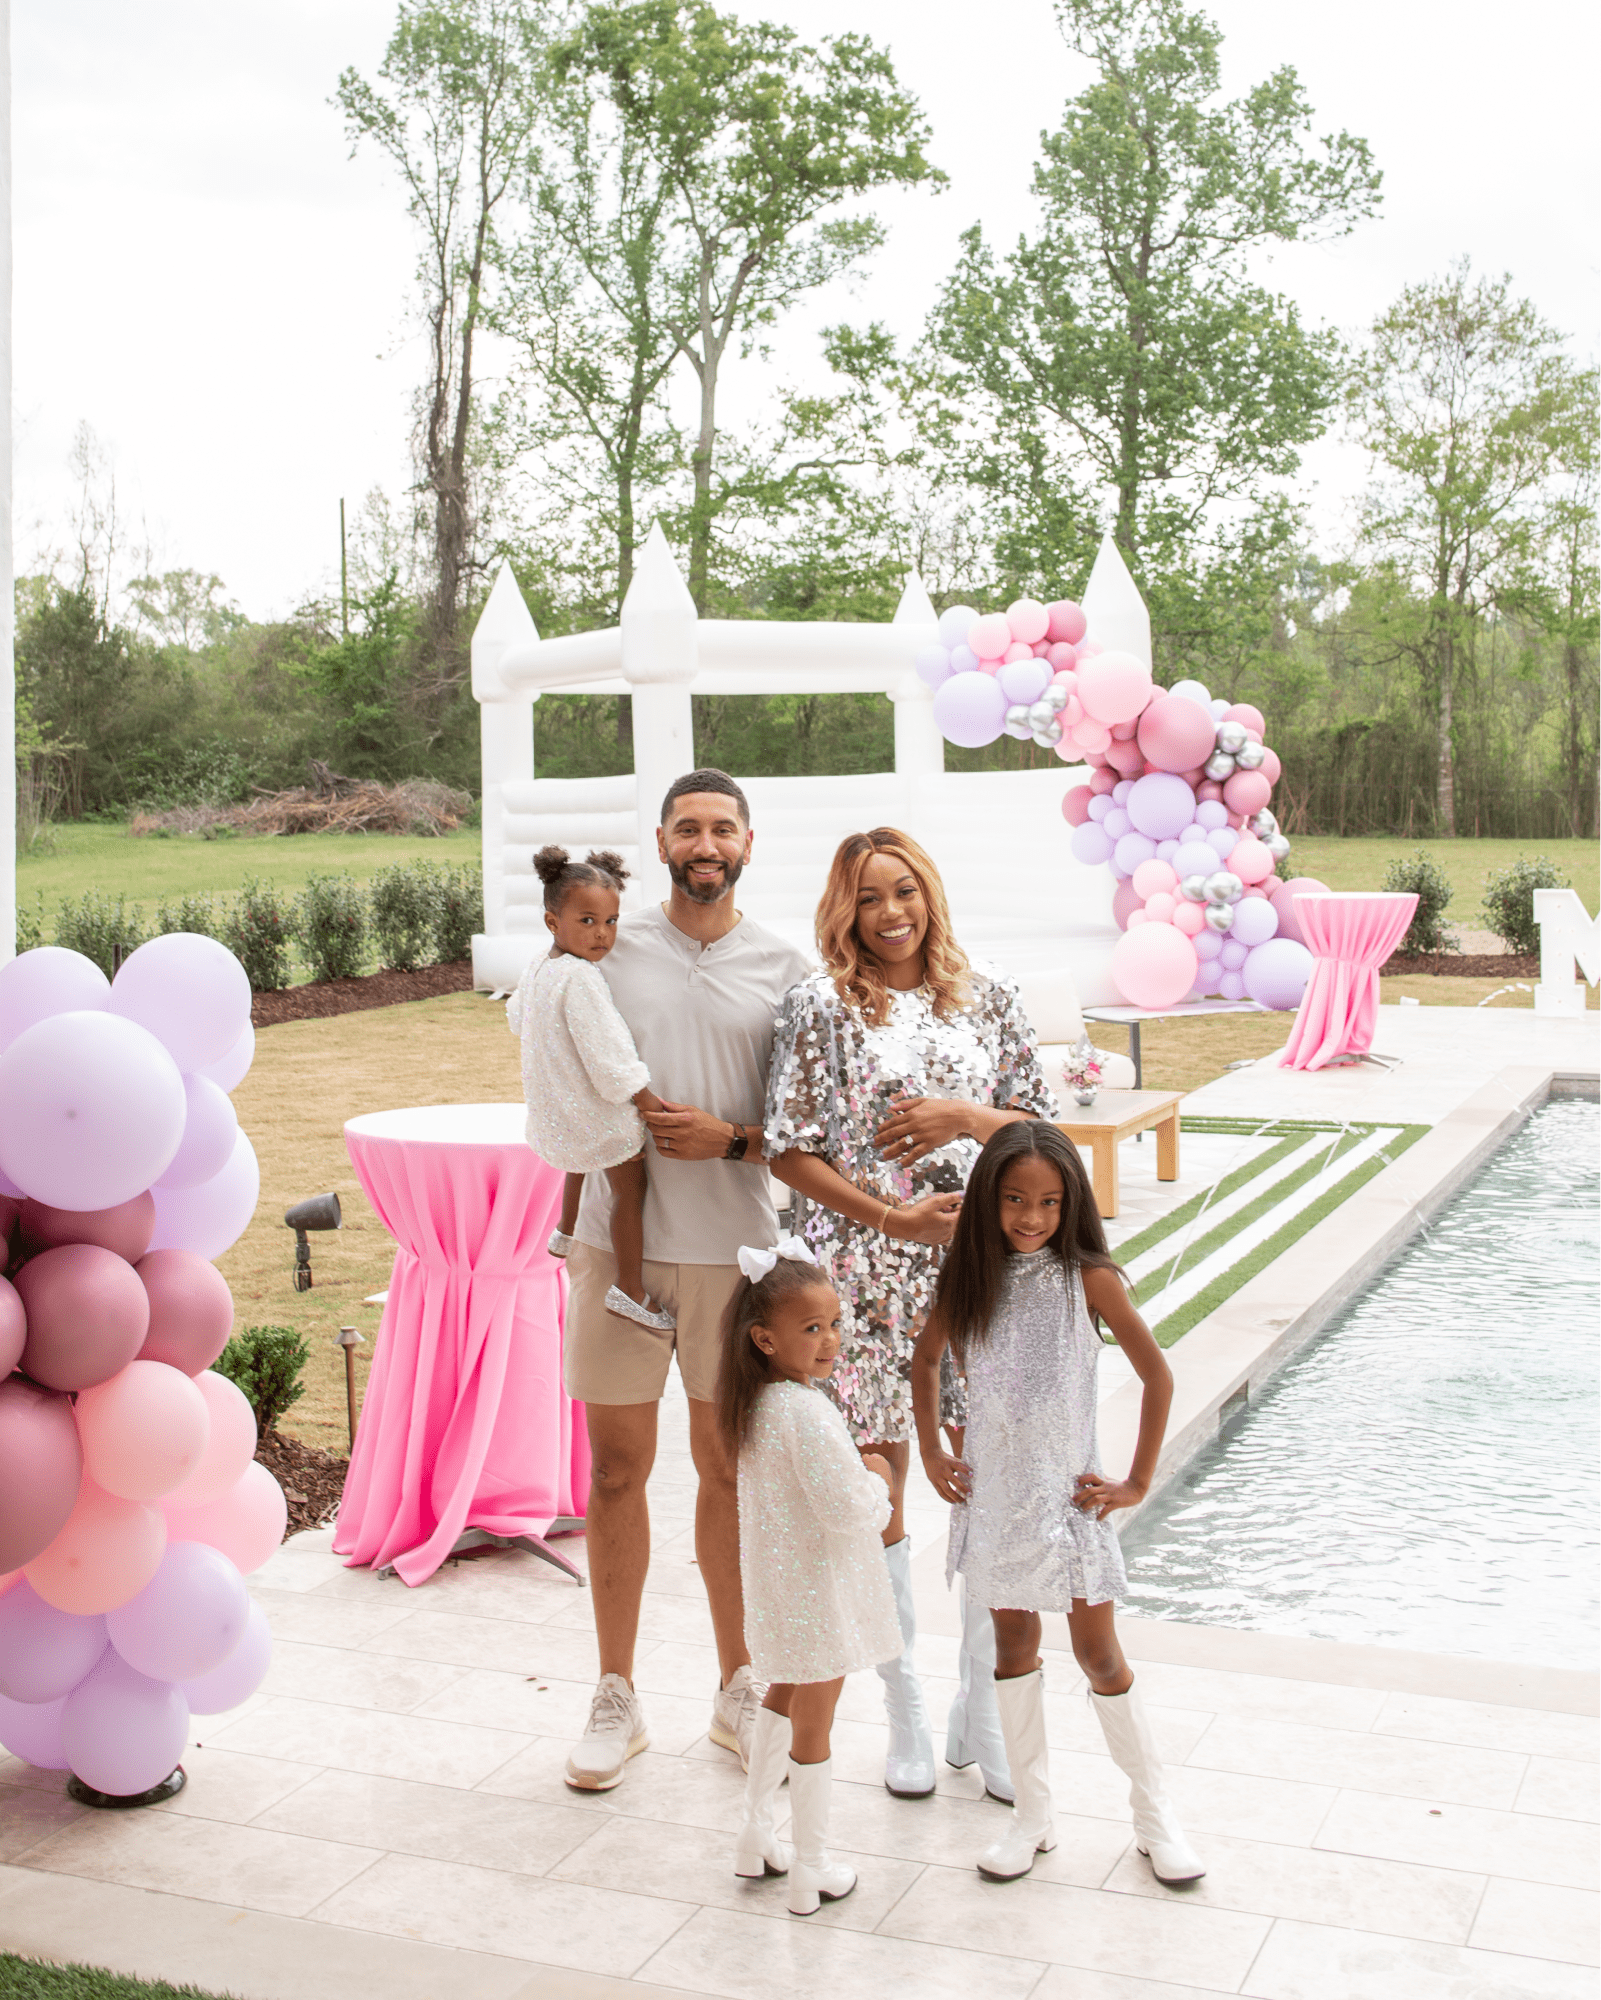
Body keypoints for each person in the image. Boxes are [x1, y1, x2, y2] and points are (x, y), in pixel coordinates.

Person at [764, 827, 1056, 1802]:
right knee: (875, 1498)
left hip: (980, 1276)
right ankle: (907, 1710)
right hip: (860, 1284)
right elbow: (788, 1151)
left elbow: (1039, 1133)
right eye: (867, 898)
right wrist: (893, 1213)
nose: (889, 913)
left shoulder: (987, 995)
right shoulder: (818, 1005)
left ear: (928, 895)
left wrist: (963, 1120)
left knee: (989, 1481)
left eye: (904, 892)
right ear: (842, 910)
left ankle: (983, 1706)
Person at [559, 770, 812, 1793]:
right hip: (616, 1247)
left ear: (747, 840)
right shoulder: (603, 947)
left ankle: (736, 1688)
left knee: (725, 1471)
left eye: (721, 827)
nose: (704, 843)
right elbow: (556, 1075)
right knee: (615, 1473)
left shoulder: (788, 969)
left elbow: (810, 1132)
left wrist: (732, 1138)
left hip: (734, 1254)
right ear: (659, 840)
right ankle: (614, 1697)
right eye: (686, 827)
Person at [911, 1120, 1206, 1887]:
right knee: (1012, 1651)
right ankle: (1030, 1818)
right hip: (998, 1503)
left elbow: (1158, 1377)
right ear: (988, 1201)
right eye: (1013, 1199)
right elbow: (925, 1357)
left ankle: (1153, 1815)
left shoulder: (1089, 1280)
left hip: (1067, 1504)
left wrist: (1136, 1481)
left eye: (1046, 1202)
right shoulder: (967, 1277)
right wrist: (936, 1449)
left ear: (1070, 1202)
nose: (1030, 1217)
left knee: (1098, 1654)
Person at [717, 1238, 902, 1916]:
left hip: (781, 1588)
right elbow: (846, 1508)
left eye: (833, 1324)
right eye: (810, 1329)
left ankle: (755, 1834)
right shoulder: (808, 1414)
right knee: (815, 1727)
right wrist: (879, 1477)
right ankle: (811, 1868)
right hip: (817, 1596)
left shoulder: (757, 1408)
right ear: (765, 1338)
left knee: (780, 1696)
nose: (829, 1341)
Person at [509, 846, 673, 1331]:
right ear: (552, 920)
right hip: (596, 1108)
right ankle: (630, 1288)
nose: (602, 934)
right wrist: (646, 1100)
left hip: (557, 1106)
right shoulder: (581, 978)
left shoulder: (541, 966)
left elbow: (517, 1016)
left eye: (611, 921)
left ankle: (564, 1229)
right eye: (587, 921)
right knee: (630, 1184)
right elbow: (610, 1053)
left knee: (577, 1158)